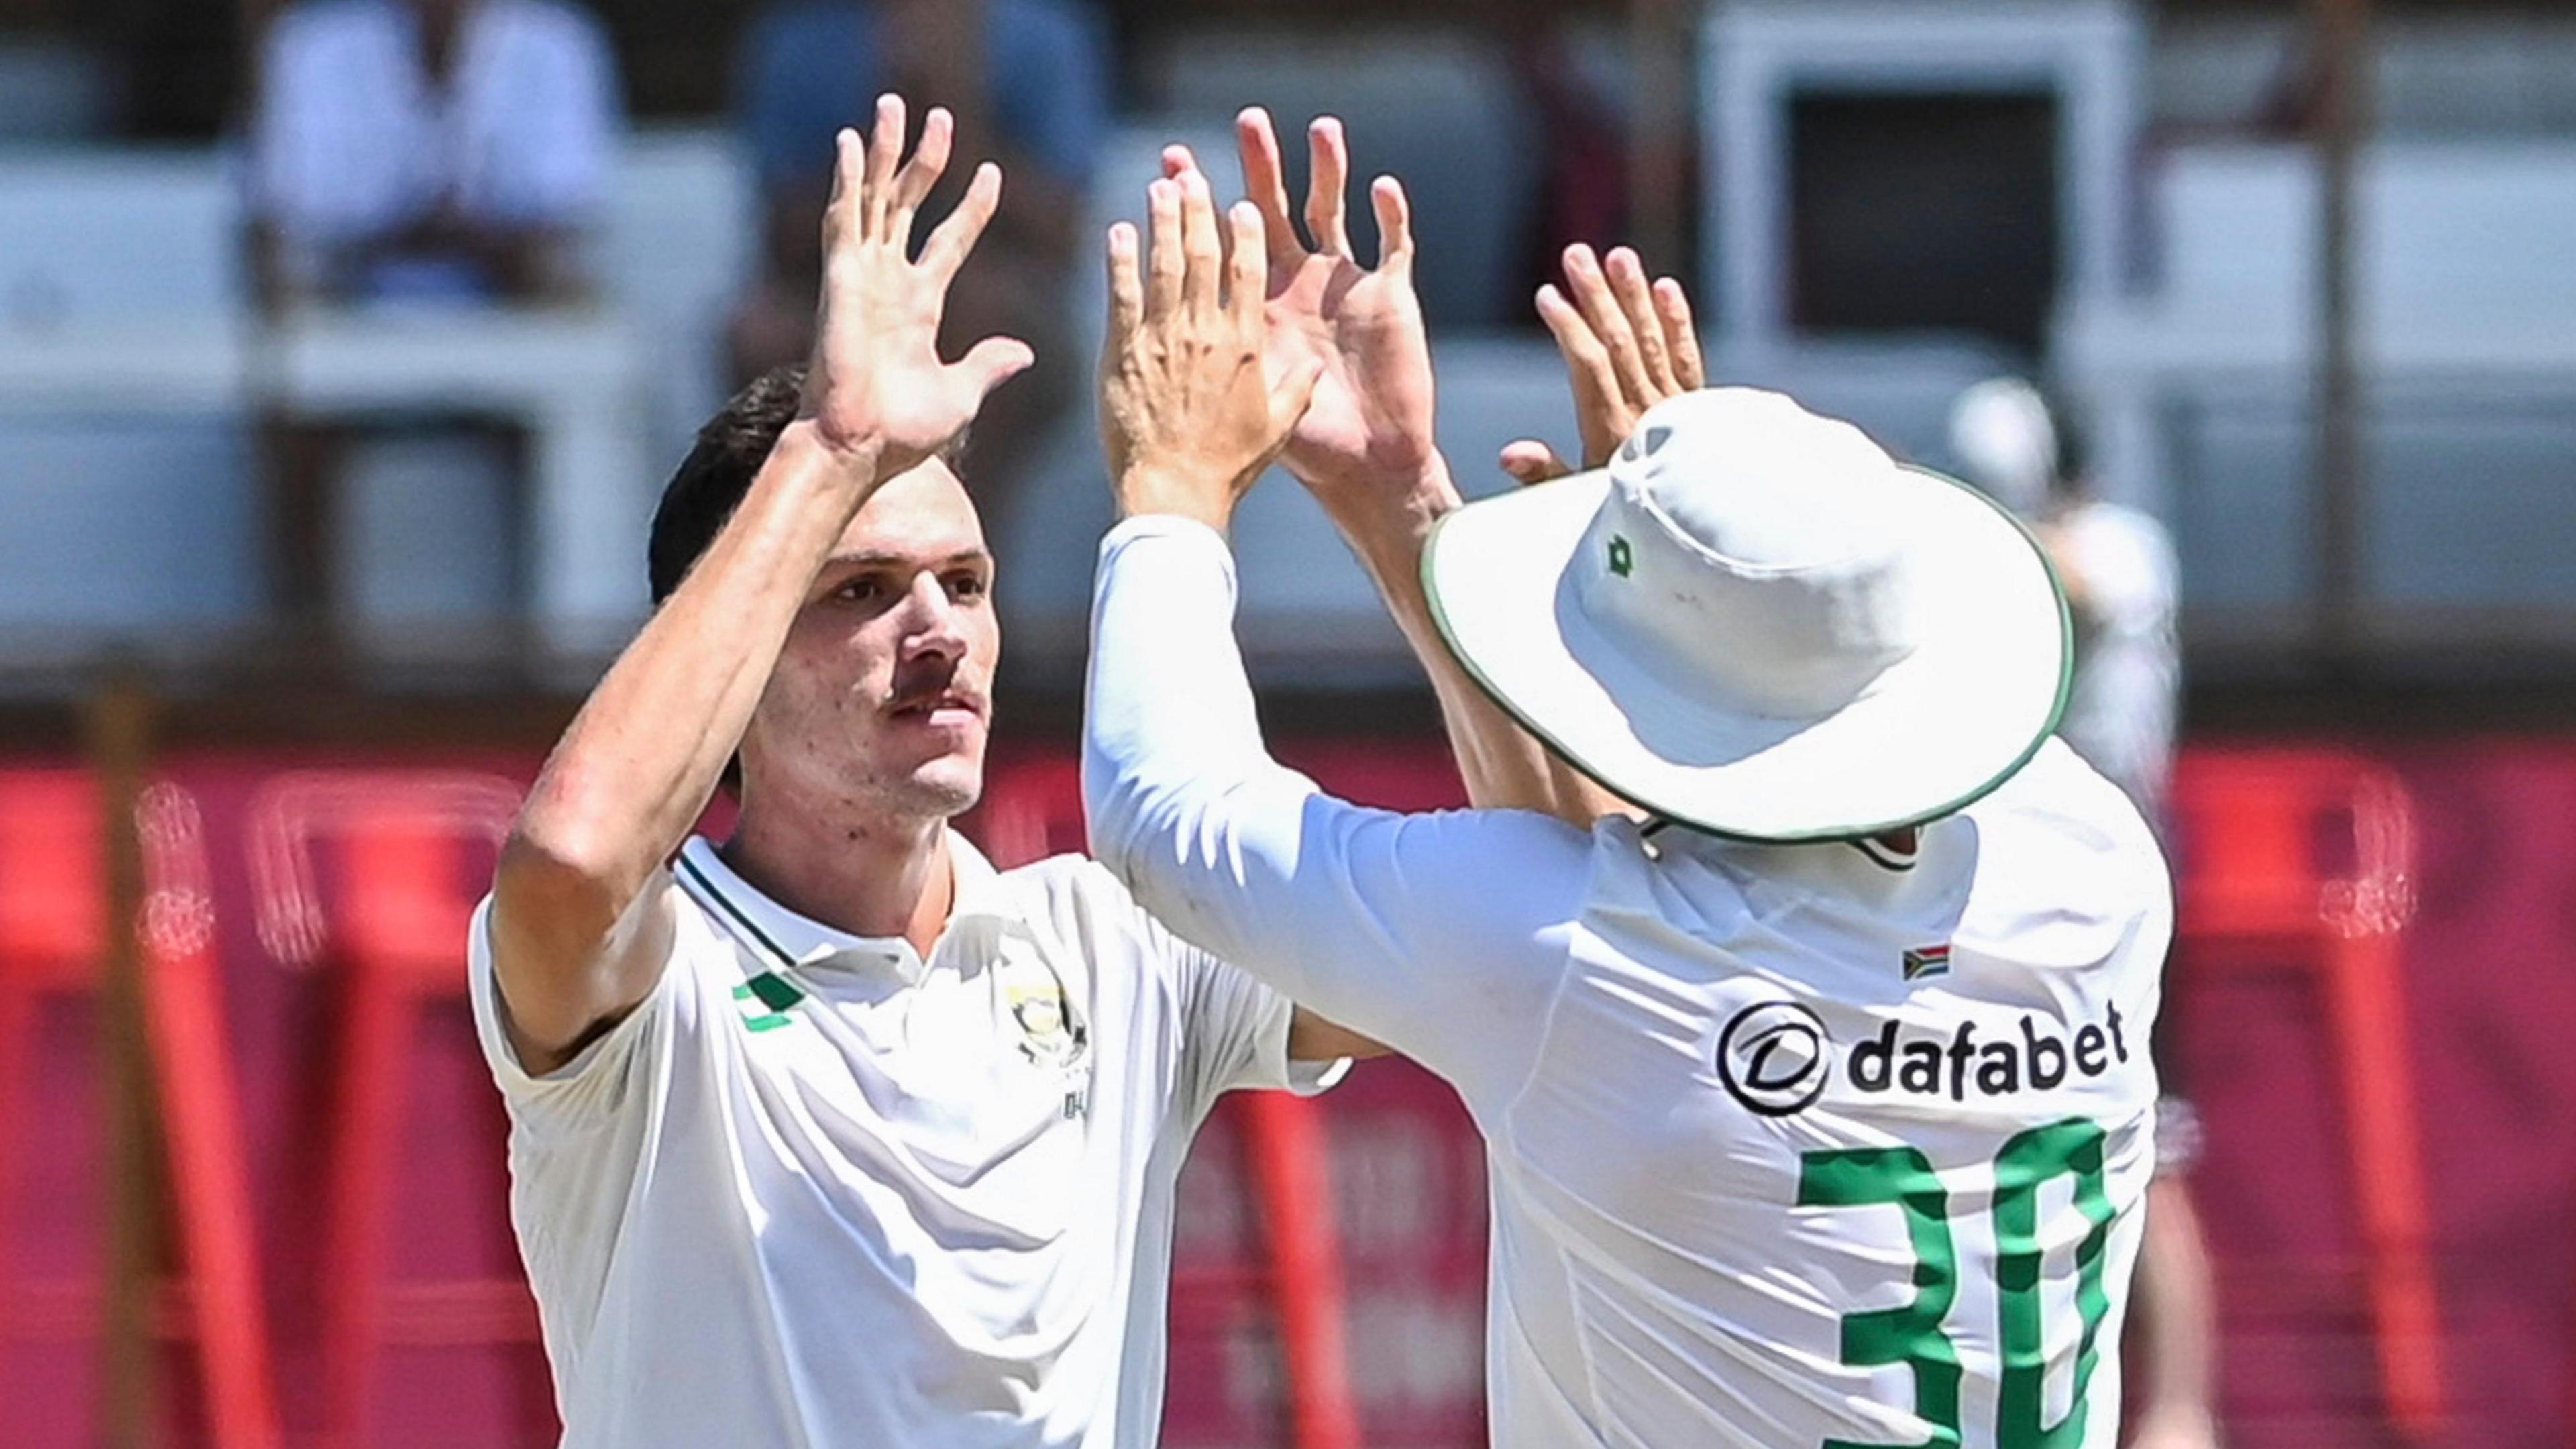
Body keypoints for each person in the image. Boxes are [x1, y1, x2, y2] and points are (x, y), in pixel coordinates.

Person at [1085, 122, 2174, 1446]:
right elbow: (1659, 905)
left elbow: (1161, 814)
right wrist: (1408, 508)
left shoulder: (1578, 953)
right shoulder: (2097, 860)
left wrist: (1174, 482)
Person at [470, 97, 1374, 1448]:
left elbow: (1510, 932)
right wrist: (831, 450)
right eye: (865, 589)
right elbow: (577, 853)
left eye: (965, 581)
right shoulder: (656, 984)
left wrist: (1399, 493)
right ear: (736, 654)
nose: (940, 628)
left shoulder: (1112, 939)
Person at [1949, 379, 2220, 1449]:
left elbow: (2067, 580)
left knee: (2147, 1143)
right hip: (2008, 863)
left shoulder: (2119, 546)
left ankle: (2180, 1411)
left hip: (2118, 866)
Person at [729, 0, 1106, 511]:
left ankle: (965, 554)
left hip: (1010, 303)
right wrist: (884, 128)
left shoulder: (1044, 38)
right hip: (837, 289)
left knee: (981, 312)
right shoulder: (800, 42)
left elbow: (1058, 238)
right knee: (762, 334)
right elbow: (782, 241)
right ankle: (797, 559)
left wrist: (954, 112)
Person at [248, 0, 621, 307]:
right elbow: (288, 222)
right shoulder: (315, 44)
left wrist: (471, 240)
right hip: (350, 309)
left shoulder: (554, 42)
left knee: (569, 275)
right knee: (290, 272)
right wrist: (406, 237)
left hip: (515, 307)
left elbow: (567, 215)